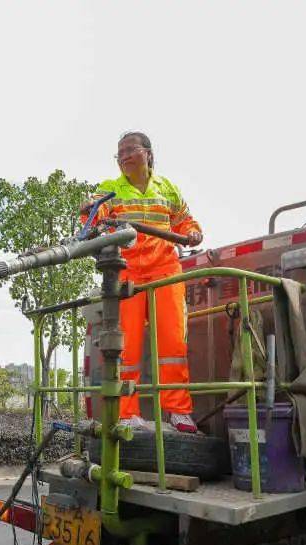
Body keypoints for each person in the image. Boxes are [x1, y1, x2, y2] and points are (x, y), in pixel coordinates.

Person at [82, 131, 203, 433]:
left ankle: (178, 411)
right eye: (118, 152)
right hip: (129, 273)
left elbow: (185, 221)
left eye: (129, 150)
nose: (123, 156)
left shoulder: (168, 188)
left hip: (166, 271)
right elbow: (94, 211)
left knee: (173, 344)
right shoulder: (110, 188)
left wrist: (193, 232)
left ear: (148, 153)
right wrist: (91, 215)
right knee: (127, 347)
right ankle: (127, 413)